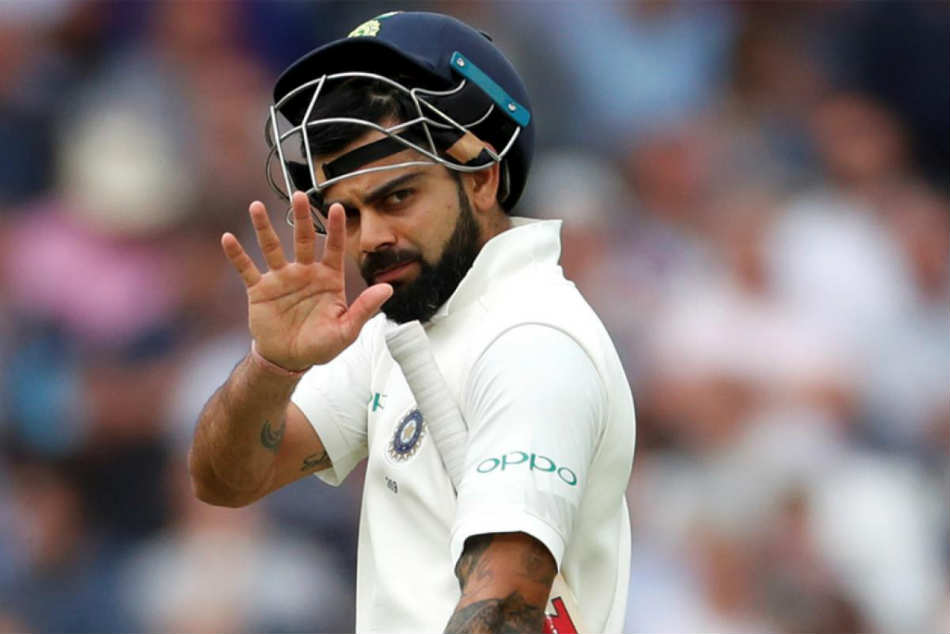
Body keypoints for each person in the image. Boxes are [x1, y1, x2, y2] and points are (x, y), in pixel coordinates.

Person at [188, 11, 635, 633]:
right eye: (346, 212)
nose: (370, 238)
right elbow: (225, 481)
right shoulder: (401, 324)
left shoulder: (532, 343)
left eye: (397, 197)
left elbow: (504, 610)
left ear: (482, 179)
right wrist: (273, 367)